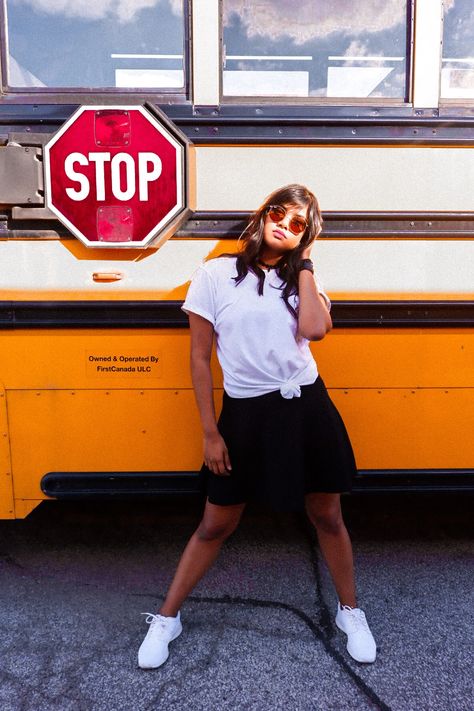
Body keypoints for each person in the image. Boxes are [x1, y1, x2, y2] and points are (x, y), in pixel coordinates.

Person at [138, 184, 376, 668]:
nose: (283, 226)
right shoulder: (216, 273)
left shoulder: (304, 279)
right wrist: (210, 432)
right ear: (264, 212)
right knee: (215, 522)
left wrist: (305, 262)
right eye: (279, 214)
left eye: (297, 225)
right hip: (245, 415)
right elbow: (200, 359)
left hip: (307, 407)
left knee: (327, 514)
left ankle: (350, 610)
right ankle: (168, 617)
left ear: (306, 236)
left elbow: (314, 330)